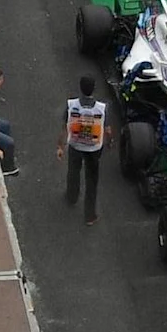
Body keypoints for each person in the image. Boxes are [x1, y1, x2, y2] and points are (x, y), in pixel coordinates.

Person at [60, 76, 108, 223]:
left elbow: (64, 127)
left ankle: (72, 196)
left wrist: (60, 146)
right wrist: (110, 141)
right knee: (92, 180)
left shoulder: (71, 105)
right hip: (94, 148)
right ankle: (90, 216)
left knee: (73, 171)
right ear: (94, 89)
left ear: (80, 88)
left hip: (75, 145)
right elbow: (108, 129)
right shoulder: (102, 108)